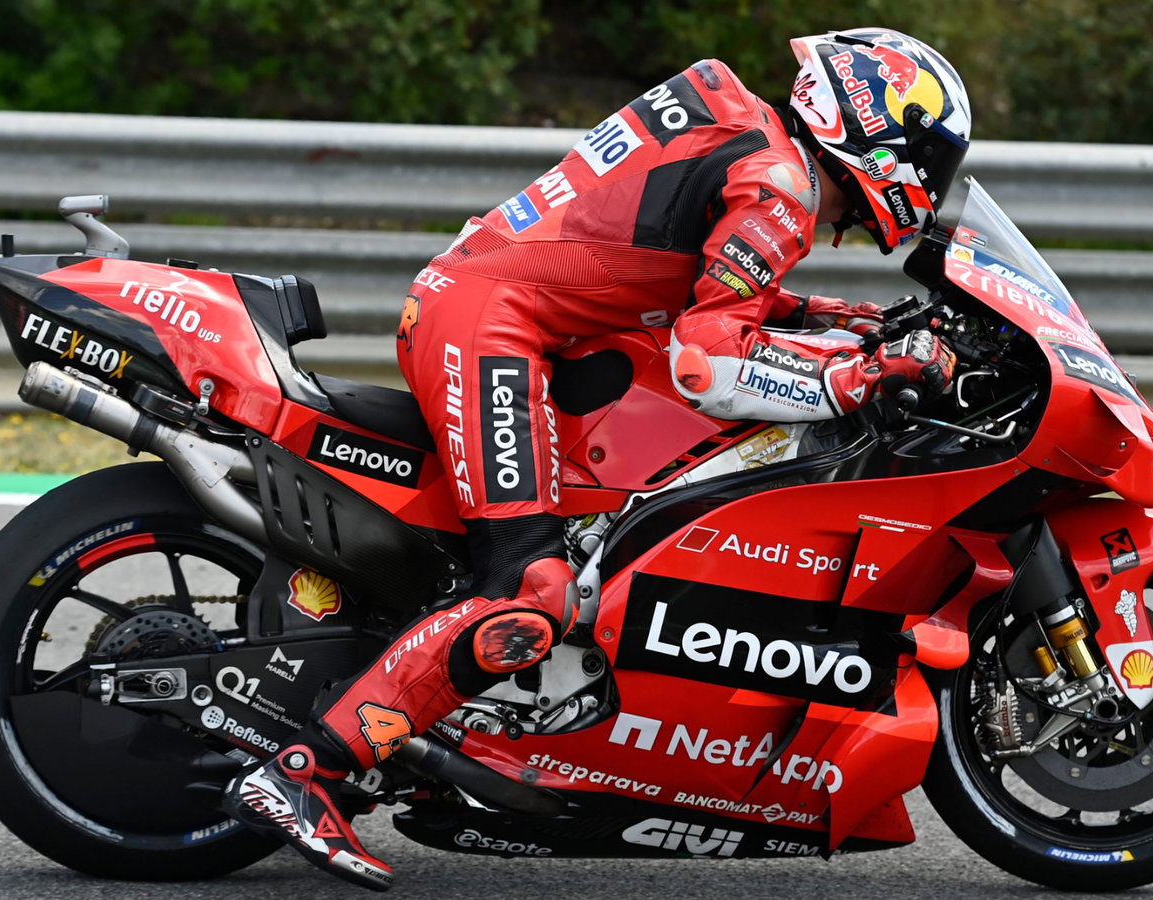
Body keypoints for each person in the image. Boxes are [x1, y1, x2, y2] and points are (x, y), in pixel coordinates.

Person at [223, 27, 972, 891]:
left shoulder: (750, 136)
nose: (928, 183)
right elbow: (709, 363)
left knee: (572, 545)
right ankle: (304, 770)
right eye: (928, 157)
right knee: (532, 591)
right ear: (882, 138)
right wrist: (859, 377)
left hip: (514, 314)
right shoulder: (777, 190)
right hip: (495, 328)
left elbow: (686, 270)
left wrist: (842, 323)